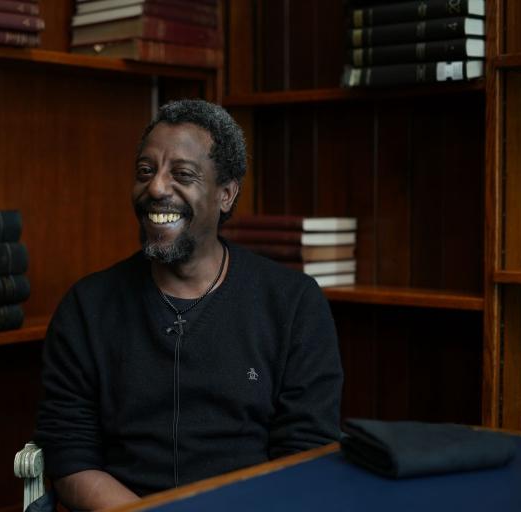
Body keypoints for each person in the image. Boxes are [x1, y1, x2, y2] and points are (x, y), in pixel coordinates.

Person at [33, 99, 343, 511]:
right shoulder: (87, 308)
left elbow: (305, 456)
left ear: (226, 194)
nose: (157, 188)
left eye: (182, 174)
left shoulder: (293, 304)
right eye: (146, 171)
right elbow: (71, 458)